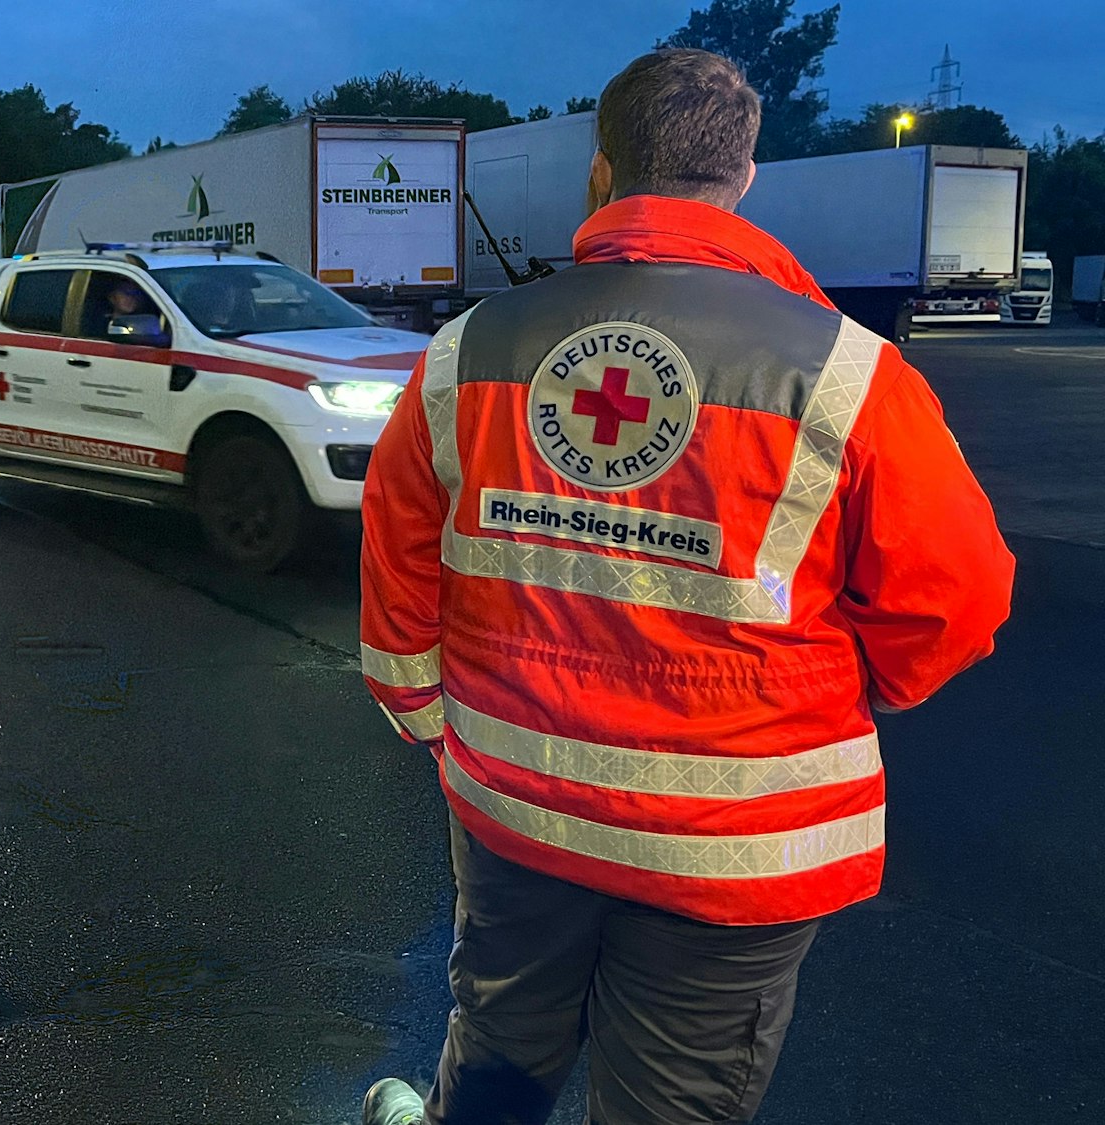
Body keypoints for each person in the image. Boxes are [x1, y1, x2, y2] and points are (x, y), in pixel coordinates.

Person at [358, 49, 1013, 1125]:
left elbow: (398, 568)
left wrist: (434, 724)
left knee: (499, 1051)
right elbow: (955, 602)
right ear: (744, 177)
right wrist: (838, 691)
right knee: (672, 1099)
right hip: (732, 843)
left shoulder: (465, 352)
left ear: (597, 176)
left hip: (517, 808)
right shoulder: (847, 375)